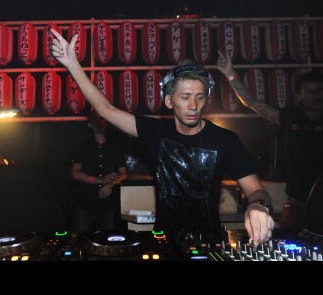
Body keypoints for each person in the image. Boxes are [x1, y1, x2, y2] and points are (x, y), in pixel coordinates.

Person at [51, 30, 274, 245]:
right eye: (185, 97)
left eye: (199, 97)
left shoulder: (226, 140)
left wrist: (258, 206)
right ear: (169, 101)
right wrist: (73, 65)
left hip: (210, 241)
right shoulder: (156, 131)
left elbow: (256, 190)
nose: (193, 105)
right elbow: (105, 109)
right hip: (165, 242)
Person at [217, 51, 323, 229]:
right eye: (310, 91)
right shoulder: (288, 118)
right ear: (299, 96)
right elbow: (251, 102)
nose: (316, 96)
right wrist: (230, 73)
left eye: (320, 90)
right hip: (298, 203)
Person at [70, 109, 128, 232]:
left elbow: (123, 174)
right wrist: (101, 180)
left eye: (102, 118)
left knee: (109, 238)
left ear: (107, 122)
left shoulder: (115, 147)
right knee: (81, 237)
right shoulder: (82, 146)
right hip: (85, 203)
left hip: (108, 204)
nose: (99, 122)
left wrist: (111, 184)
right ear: (90, 124)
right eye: (95, 119)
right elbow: (75, 173)